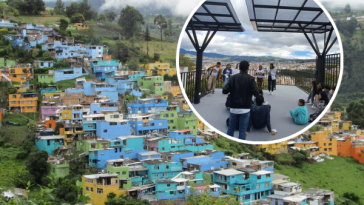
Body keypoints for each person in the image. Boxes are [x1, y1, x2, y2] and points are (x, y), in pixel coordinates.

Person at [223, 60, 260, 140]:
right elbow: (256, 93)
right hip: (245, 108)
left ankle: (229, 144)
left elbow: (224, 90)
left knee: (231, 128)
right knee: (242, 130)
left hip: (233, 107)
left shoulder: (233, 78)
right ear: (248, 68)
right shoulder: (251, 79)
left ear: (239, 68)